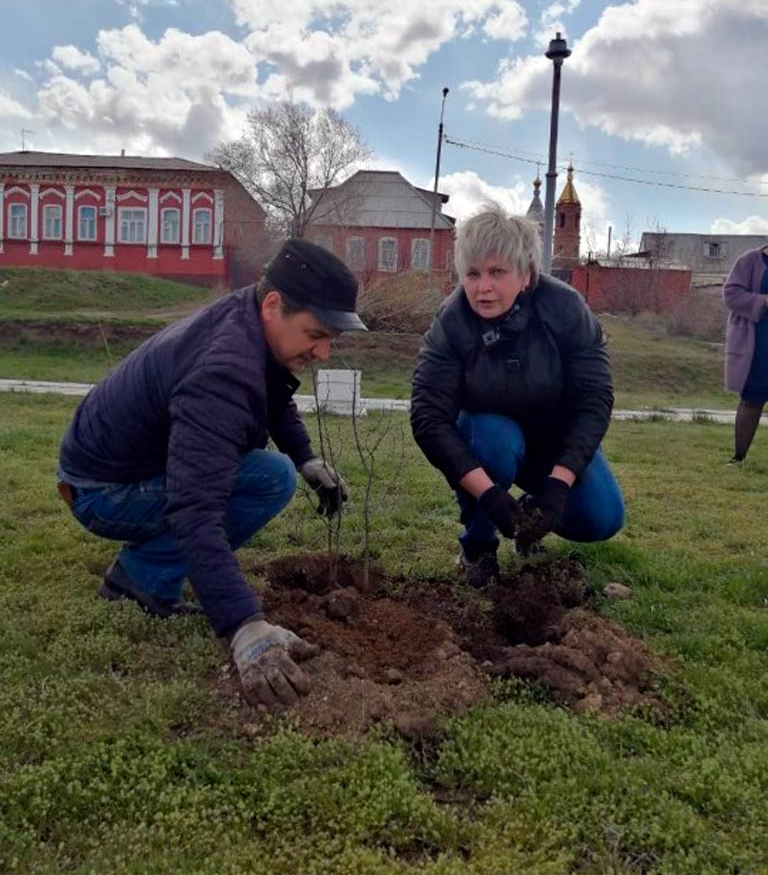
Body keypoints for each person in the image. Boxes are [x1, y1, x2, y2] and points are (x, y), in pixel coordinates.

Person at [57, 238, 367, 708]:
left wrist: (306, 457)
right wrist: (244, 625)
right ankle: (139, 581)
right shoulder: (223, 370)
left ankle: (142, 572)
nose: (323, 352)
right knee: (268, 480)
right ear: (273, 305)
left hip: (118, 470)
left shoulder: (248, 323)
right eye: (315, 334)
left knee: (279, 471)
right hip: (102, 491)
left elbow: (271, 395)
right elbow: (195, 507)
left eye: (331, 339)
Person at [410, 204, 624, 588]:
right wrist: (490, 495)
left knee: (602, 518)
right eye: (472, 274)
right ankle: (478, 548)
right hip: (490, 446)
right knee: (491, 435)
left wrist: (560, 483)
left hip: (553, 444)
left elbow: (595, 399)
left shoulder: (565, 308)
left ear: (525, 275)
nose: (482, 287)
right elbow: (428, 418)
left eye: (497, 272)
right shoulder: (452, 321)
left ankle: (527, 514)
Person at [723, 244, 768, 464]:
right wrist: (763, 301)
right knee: (752, 399)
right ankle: (738, 457)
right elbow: (731, 295)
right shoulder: (750, 260)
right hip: (757, 343)